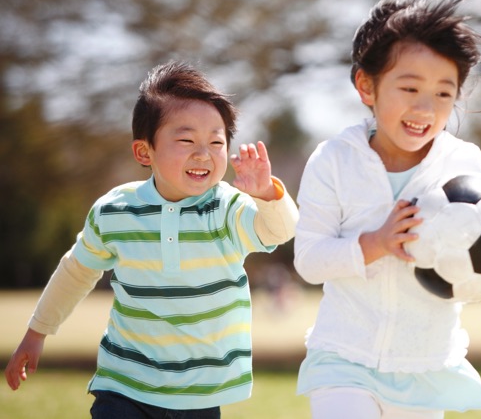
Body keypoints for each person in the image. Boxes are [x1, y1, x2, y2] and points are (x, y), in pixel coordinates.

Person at [293, 0, 481, 419]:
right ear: (366, 85)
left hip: (426, 366)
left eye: (442, 93)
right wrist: (375, 243)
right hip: (343, 357)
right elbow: (308, 259)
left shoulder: (466, 165)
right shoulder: (334, 160)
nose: (425, 108)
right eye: (410, 87)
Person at [5, 60, 299, 418]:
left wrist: (267, 193)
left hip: (200, 394)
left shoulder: (228, 207)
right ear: (145, 152)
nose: (203, 153)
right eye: (186, 139)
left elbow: (280, 231)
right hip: (125, 384)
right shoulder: (114, 211)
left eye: (216, 141)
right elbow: (76, 272)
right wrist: (38, 332)